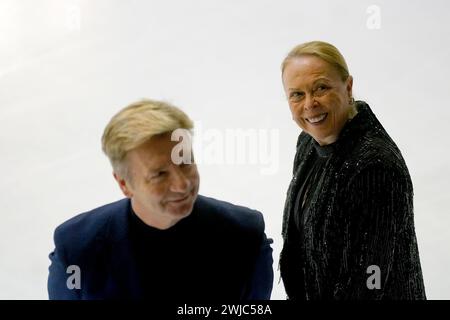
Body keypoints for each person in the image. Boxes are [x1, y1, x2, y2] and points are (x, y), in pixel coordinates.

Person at [48, 99, 273, 300]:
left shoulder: (244, 237)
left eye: (185, 162)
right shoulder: (77, 250)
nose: (182, 184)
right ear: (124, 184)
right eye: (159, 174)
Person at [279, 41, 426, 299]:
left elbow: (371, 280)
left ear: (348, 88)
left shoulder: (375, 166)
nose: (309, 104)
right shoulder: (308, 143)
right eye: (297, 94)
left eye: (321, 88)